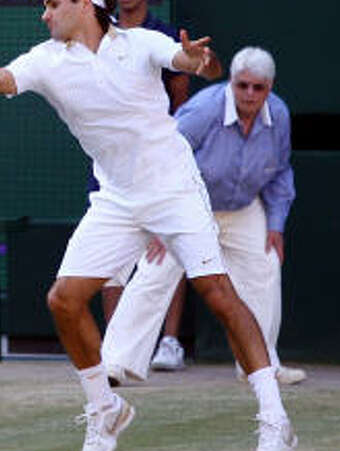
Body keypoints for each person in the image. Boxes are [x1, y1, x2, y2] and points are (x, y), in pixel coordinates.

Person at [0, 0, 296, 451]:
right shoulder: (46, 61)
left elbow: (195, 64)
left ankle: (275, 420)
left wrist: (197, 60)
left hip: (173, 187)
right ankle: (106, 409)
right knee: (64, 300)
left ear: (85, 3)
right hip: (117, 198)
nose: (44, 14)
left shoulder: (140, 43)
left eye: (52, 4)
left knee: (216, 292)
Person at [102, 46, 306, 385]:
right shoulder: (204, 109)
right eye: (242, 86)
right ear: (231, 82)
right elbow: (162, 157)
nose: (249, 94)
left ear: (269, 88)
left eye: (258, 87)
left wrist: (276, 225)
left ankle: (260, 365)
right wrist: (159, 218)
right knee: (156, 271)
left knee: (265, 266)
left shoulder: (279, 115)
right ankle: (115, 363)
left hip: (242, 207)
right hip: (187, 206)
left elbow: (280, 171)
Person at [97, 0, 190, 346]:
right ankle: (115, 343)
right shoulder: (100, 35)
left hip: (157, 162)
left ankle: (169, 342)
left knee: (169, 249)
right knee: (109, 256)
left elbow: (180, 103)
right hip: (111, 161)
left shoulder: (165, 37)